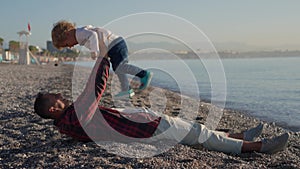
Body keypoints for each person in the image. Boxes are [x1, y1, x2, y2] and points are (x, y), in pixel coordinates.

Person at [33, 45, 289, 155]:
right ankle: (258, 147)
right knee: (199, 133)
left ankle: (242, 135)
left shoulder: (67, 122)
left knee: (195, 131)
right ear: (54, 108)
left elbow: (91, 97)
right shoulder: (75, 116)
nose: (61, 95)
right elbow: (94, 90)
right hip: (147, 127)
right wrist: (103, 58)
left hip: (142, 124)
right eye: (57, 97)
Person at [51, 20, 153, 98]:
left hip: (115, 44)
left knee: (120, 67)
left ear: (67, 34)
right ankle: (126, 90)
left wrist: (94, 51)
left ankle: (144, 74)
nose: (70, 47)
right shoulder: (81, 33)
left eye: (67, 44)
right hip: (115, 44)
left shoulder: (79, 33)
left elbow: (93, 35)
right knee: (119, 69)